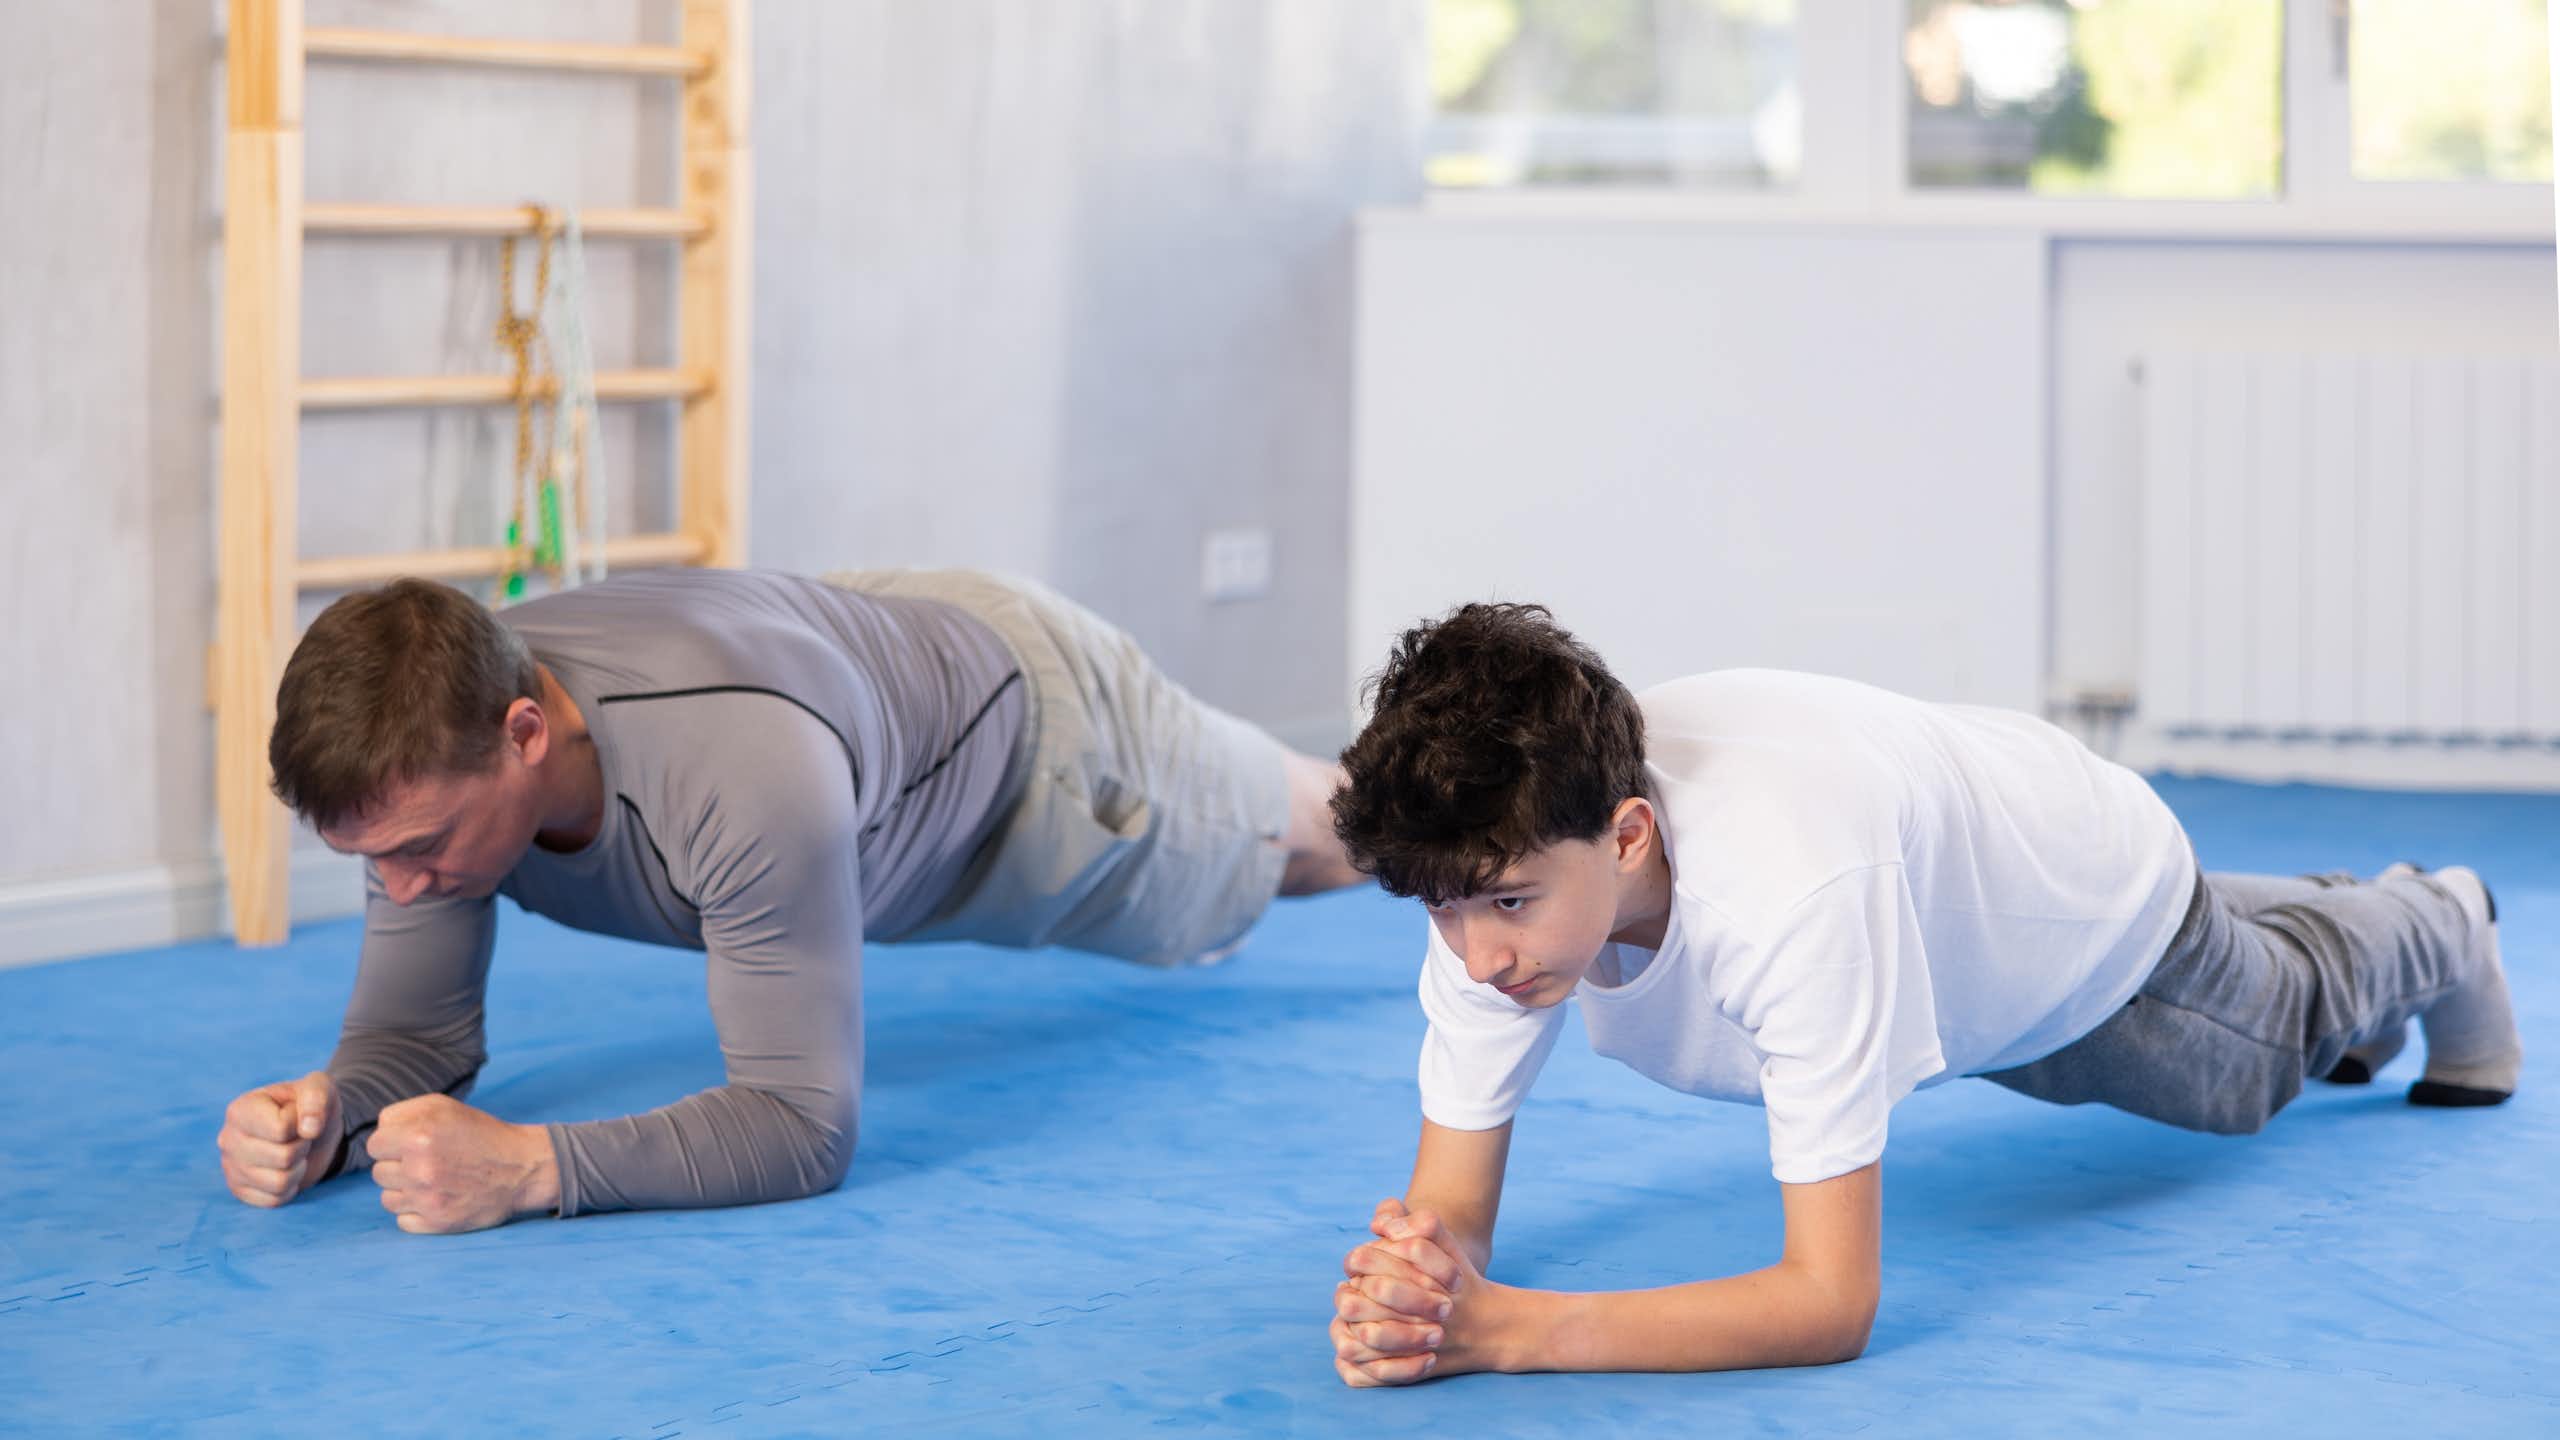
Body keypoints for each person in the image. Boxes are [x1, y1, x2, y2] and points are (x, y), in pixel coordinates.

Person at [1321, 602, 2517, 1386]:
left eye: (1507, 907)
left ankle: (2439, 915)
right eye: (1442, 911)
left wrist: (1511, 1332)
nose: (1475, 958)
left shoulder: (1787, 893)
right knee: (2252, 983)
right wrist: (1423, 1287)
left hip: (2082, 913)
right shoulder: (1491, 863)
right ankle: (2327, 906)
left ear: (1628, 835)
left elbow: (1827, 1301)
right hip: (1960, 856)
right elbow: (1451, 1209)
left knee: (2259, 1053)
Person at [212, 567, 1363, 1233]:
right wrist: (322, 1115)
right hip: (855, 669)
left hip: (1044, 750)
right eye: (371, 858)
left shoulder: (737, 770)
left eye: (419, 850)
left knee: (1331, 837)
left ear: (524, 734)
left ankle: (1493, 803)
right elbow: (413, 1037)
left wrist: (526, 1166)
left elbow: (802, 1125)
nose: (399, 886)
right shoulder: (438, 755)